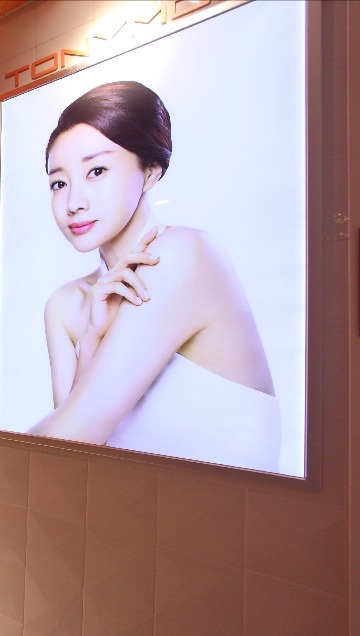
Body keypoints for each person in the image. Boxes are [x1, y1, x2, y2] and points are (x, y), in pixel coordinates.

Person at [30, 81, 280, 471]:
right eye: (59, 183)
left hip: (234, 506)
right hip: (122, 503)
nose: (73, 203)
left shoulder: (184, 255)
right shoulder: (65, 305)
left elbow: (69, 437)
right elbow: (72, 460)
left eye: (96, 170)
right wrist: (92, 337)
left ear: (149, 172)